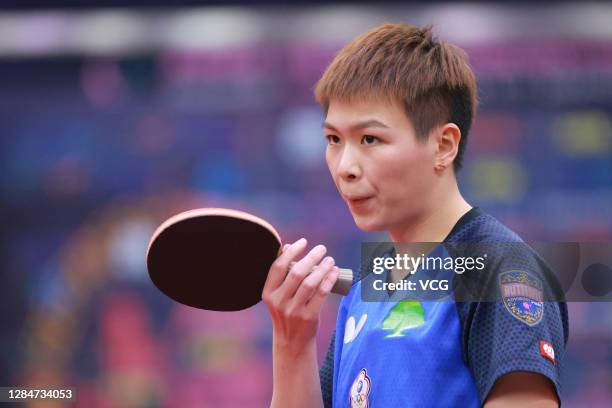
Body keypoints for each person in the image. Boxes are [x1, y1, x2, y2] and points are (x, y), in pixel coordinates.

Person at [263, 23, 568, 407]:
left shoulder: (499, 272)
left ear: (443, 145)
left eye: (369, 139)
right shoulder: (365, 289)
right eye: (333, 140)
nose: (345, 167)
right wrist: (292, 343)